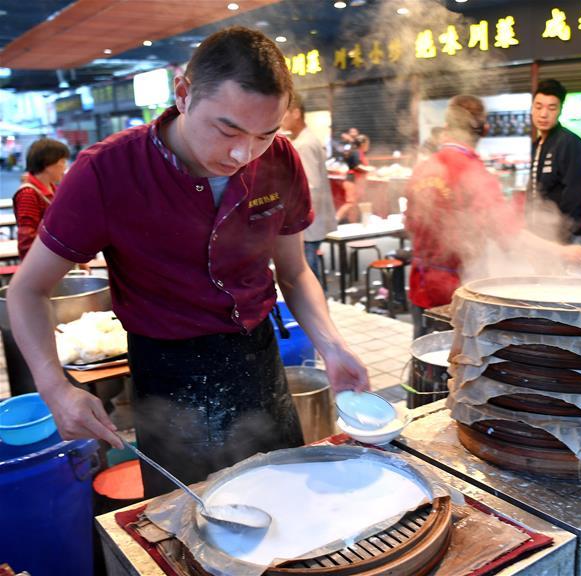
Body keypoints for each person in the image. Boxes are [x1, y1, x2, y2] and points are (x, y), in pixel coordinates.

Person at [7, 27, 368, 497]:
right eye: (227, 129)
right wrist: (55, 389)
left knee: (284, 501)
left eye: (264, 133)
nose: (244, 154)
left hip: (257, 360)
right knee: (190, 524)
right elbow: (27, 290)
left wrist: (333, 345)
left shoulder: (279, 160)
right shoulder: (108, 172)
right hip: (168, 374)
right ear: (183, 94)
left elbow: (294, 272)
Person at [406, 94, 581, 337]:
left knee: (423, 357)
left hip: (420, 284)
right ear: (485, 129)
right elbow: (508, 233)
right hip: (456, 289)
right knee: (453, 363)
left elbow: (411, 224)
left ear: (447, 127)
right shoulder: (475, 173)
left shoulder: (423, 168)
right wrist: (562, 250)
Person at [281, 92, 337, 285]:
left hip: (307, 224)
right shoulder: (307, 140)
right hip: (312, 221)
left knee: (307, 277)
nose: (281, 118)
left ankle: (317, 312)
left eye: (284, 113)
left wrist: (297, 219)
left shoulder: (304, 145)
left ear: (296, 113)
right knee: (310, 273)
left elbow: (310, 187)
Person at [528, 79, 581, 242]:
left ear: (561, 110)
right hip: (541, 234)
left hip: (566, 236)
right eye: (538, 106)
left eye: (551, 108)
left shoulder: (571, 143)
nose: (543, 114)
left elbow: (575, 197)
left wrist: (561, 236)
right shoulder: (536, 145)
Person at [13, 138, 69, 260]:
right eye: (63, 162)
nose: (65, 167)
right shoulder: (28, 193)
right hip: (43, 262)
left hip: (55, 258)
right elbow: (26, 242)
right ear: (48, 164)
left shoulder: (54, 188)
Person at [335, 135, 370, 223]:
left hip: (356, 182)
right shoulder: (357, 152)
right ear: (362, 144)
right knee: (350, 203)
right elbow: (356, 166)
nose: (368, 146)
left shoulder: (358, 152)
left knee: (354, 205)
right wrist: (369, 169)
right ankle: (335, 219)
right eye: (367, 144)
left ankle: (353, 223)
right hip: (352, 181)